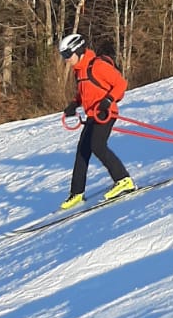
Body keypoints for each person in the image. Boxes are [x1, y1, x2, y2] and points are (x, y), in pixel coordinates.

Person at [58, 33, 135, 209]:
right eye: (63, 56)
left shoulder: (98, 66)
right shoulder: (79, 71)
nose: (66, 60)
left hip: (106, 113)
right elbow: (84, 92)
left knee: (97, 146)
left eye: (68, 55)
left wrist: (108, 100)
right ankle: (77, 193)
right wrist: (74, 104)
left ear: (78, 50)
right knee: (82, 150)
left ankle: (124, 180)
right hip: (93, 115)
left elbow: (121, 84)